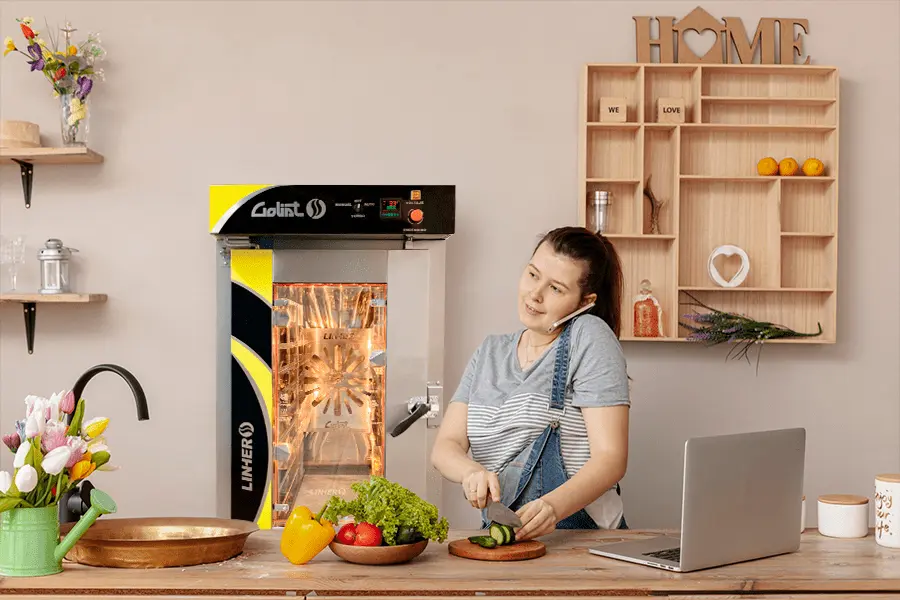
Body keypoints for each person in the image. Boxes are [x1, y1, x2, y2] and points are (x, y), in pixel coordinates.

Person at [431, 226, 630, 540]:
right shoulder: (489, 351)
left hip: (579, 539)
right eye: (533, 274)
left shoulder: (589, 337)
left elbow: (611, 459)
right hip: (509, 536)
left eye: (556, 288)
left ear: (584, 302)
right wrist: (471, 472)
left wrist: (551, 507)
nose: (534, 294)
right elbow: (446, 446)